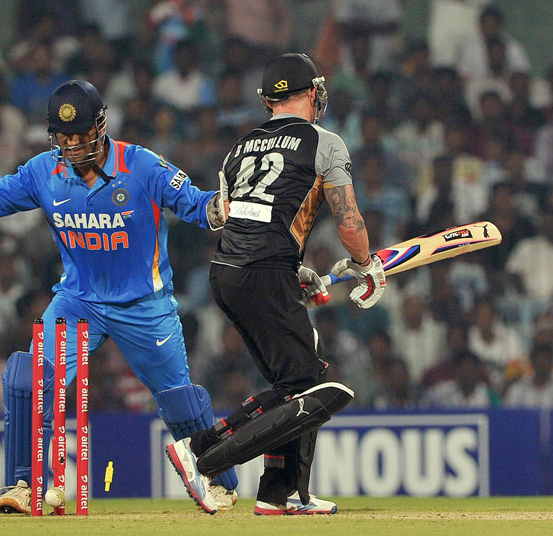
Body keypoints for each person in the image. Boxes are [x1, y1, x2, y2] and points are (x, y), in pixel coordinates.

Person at [0, 79, 238, 514]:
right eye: (62, 135)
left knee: (178, 400)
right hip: (78, 301)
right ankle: (24, 484)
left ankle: (219, 481)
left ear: (100, 126)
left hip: (144, 304)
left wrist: (221, 207)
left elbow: (195, 205)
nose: (71, 144)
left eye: (80, 134)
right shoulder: (43, 171)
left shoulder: (142, 165)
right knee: (29, 377)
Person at [165, 53, 386, 515]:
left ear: (268, 100)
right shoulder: (325, 143)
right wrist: (366, 264)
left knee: (294, 381)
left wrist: (293, 271)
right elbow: (348, 221)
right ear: (312, 93)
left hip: (226, 271)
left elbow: (244, 217)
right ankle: (200, 451)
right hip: (263, 270)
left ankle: (277, 494)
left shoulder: (239, 147)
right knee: (306, 384)